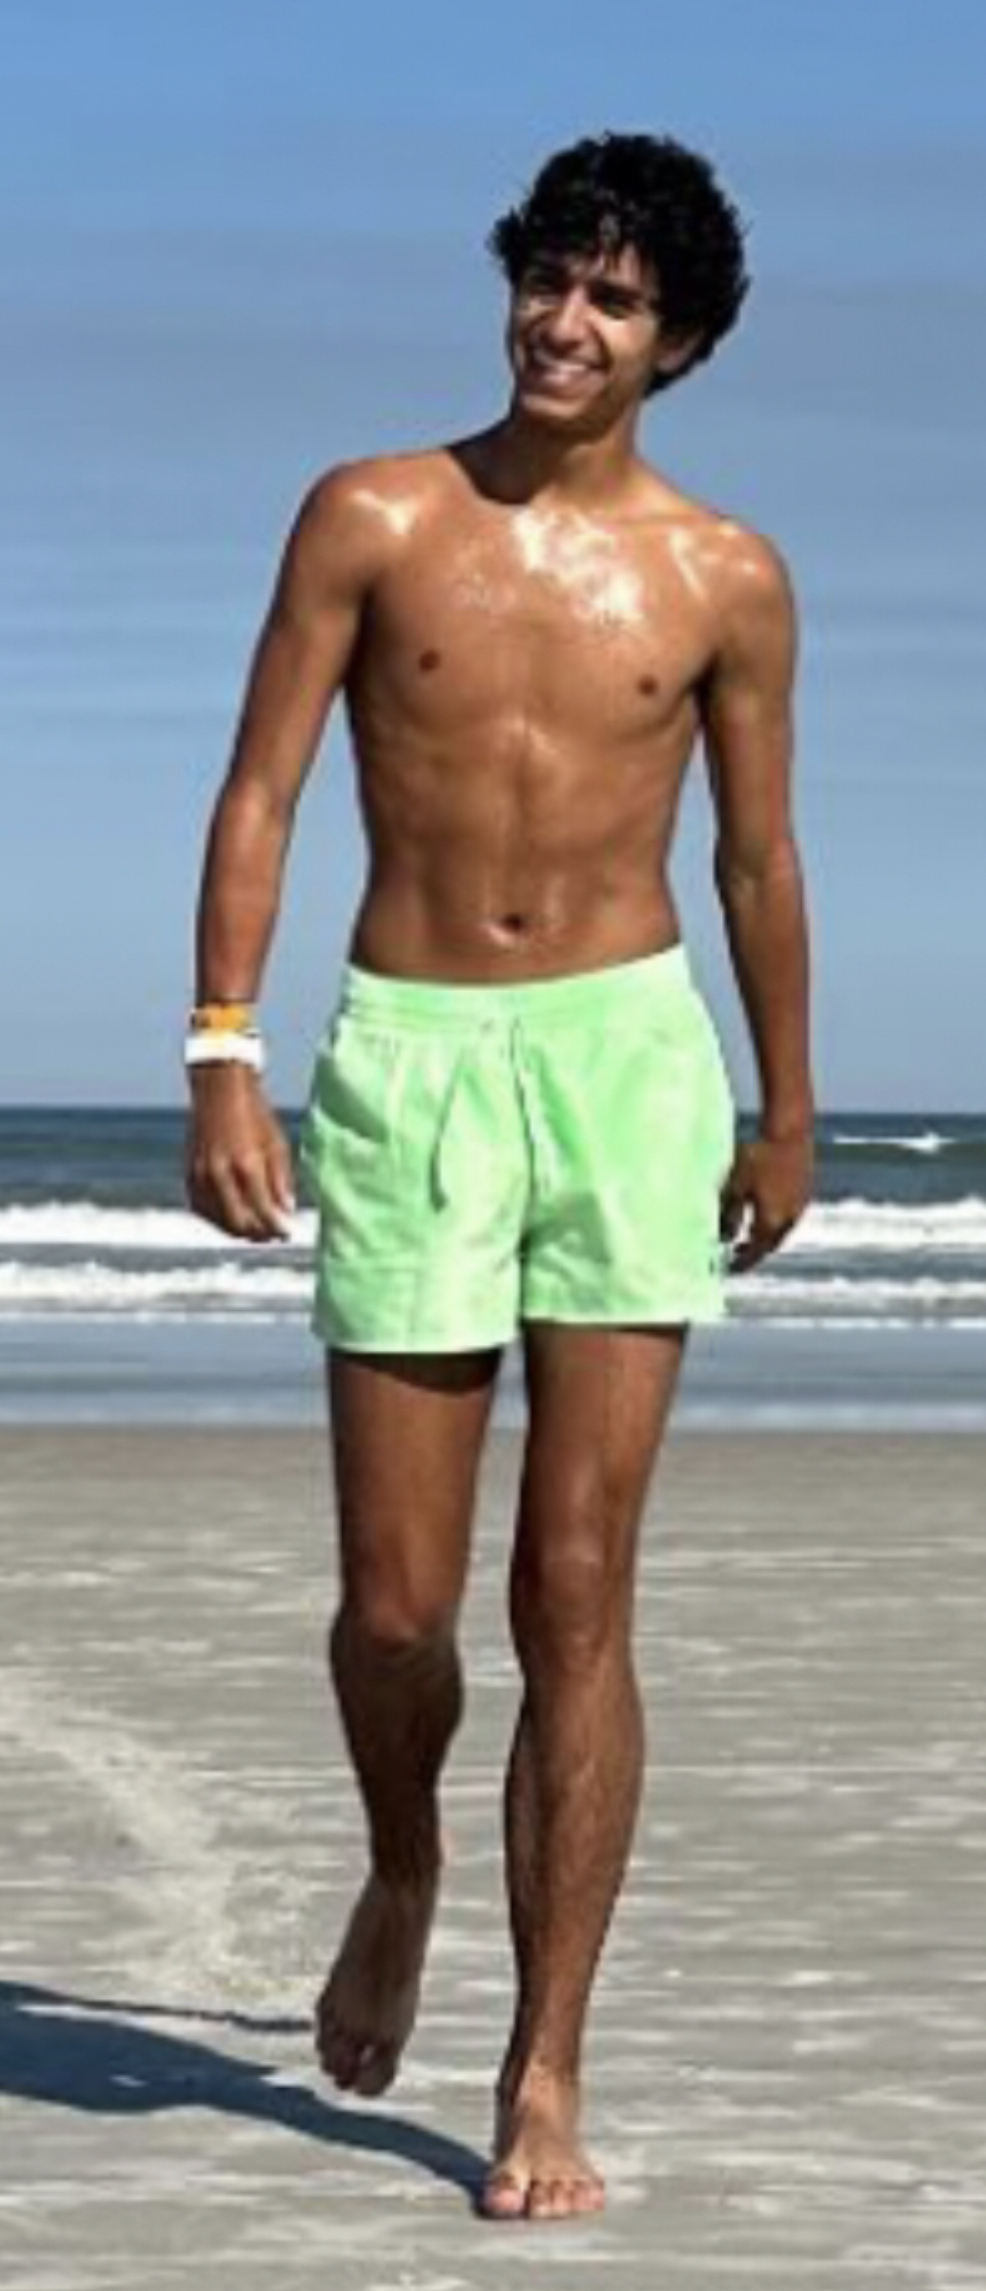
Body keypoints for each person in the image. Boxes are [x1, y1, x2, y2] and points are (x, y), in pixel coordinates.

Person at [185, 130, 814, 2222]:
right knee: (394, 1609)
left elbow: (755, 859)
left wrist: (785, 1105)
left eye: (613, 299)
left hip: (627, 1063)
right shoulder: (372, 514)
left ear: (678, 343)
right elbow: (263, 786)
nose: (565, 321)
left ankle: (542, 2068)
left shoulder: (724, 575)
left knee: (576, 1592)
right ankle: (403, 1857)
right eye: (548, 279)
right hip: (416, 1053)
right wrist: (223, 1050)